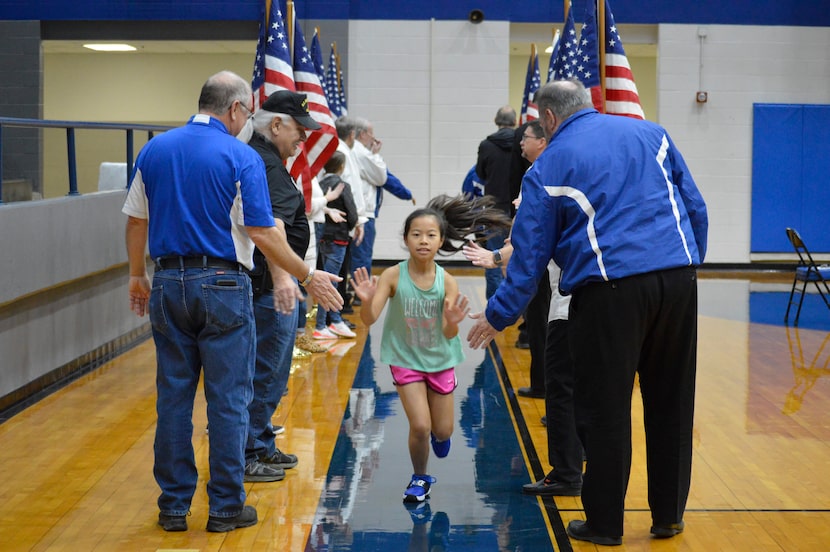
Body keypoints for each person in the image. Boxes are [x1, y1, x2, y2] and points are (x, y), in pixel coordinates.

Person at [467, 79, 708, 546]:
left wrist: (498, 314)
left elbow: (531, 254)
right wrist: (688, 263)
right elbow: (693, 205)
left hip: (609, 291)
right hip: (679, 280)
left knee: (605, 410)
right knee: (673, 403)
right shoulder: (653, 134)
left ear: (550, 119)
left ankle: (604, 524)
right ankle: (668, 517)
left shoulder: (549, 165)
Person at [123, 71, 342, 533]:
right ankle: (224, 507)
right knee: (228, 400)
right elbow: (263, 231)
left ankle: (173, 506)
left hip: (166, 282)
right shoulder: (240, 156)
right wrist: (307, 274)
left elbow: (136, 221)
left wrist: (137, 275)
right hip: (222, 284)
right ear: (237, 109)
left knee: (174, 399)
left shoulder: (154, 149)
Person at [351, 194, 511, 504]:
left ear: (440, 241)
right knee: (421, 426)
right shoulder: (393, 275)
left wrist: (452, 321)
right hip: (405, 359)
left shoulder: (447, 281)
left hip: (440, 360)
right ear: (405, 238)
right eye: (416, 234)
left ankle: (441, 437)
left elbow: (450, 332)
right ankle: (420, 477)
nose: (423, 241)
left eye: (430, 235)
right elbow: (369, 319)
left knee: (442, 430)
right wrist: (366, 299)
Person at [241, 89, 345, 482]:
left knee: (273, 372)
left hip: (274, 285)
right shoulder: (265, 165)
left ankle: (262, 443)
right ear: (276, 124)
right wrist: (285, 280)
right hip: (269, 288)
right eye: (299, 130)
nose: (303, 138)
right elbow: (272, 227)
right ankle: (250, 450)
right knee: (265, 372)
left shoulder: (267, 160)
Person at [350, 116, 414, 278]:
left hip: (357, 212)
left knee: (355, 254)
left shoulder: (356, 151)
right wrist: (406, 194)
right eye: (371, 133)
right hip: (364, 214)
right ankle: (360, 293)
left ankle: (352, 290)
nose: (374, 137)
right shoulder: (361, 152)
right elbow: (383, 177)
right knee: (362, 255)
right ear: (363, 134)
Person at [314, 150, 359, 339]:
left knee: (327, 278)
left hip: (322, 236)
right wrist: (352, 225)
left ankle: (335, 320)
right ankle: (320, 325)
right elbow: (352, 212)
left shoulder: (320, 183)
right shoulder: (342, 185)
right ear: (341, 167)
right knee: (330, 282)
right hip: (338, 237)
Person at [476, 105, 517, 299]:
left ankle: (494, 303)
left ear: (496, 121)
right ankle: (514, 303)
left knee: (492, 254)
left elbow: (480, 174)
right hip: (518, 209)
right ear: (515, 122)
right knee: (516, 254)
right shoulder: (521, 143)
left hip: (493, 208)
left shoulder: (486, 145)